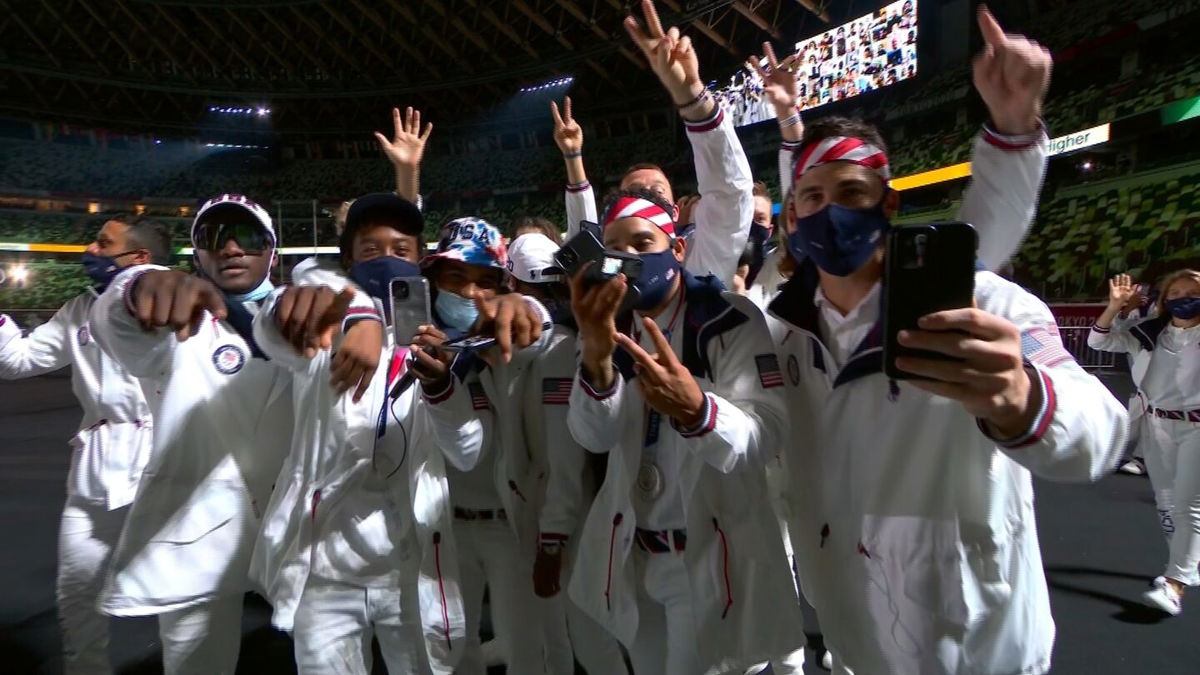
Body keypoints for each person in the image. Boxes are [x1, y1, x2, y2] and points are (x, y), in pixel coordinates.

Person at [766, 11, 1128, 673]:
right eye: (812, 196)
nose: (830, 211)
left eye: (852, 192)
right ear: (791, 218)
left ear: (890, 205)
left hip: (981, 648)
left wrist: (1022, 400)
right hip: (851, 640)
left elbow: (1102, 429)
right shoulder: (778, 331)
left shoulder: (982, 301)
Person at [88, 194, 375, 674]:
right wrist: (136, 286)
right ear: (196, 254)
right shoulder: (171, 321)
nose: (232, 247)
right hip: (198, 531)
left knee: (334, 662)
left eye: (250, 236)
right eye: (214, 237)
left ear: (273, 253)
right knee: (196, 664)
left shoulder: (309, 314)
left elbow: (349, 299)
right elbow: (117, 325)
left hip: (302, 529)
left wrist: (357, 315)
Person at [249, 193, 529, 674]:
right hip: (326, 574)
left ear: (419, 261)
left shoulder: (440, 344)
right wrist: (339, 312)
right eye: (370, 250)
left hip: (409, 568)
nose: (386, 260)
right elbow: (275, 324)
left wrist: (441, 384)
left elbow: (466, 452)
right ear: (348, 260)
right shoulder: (323, 326)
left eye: (401, 250)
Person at [566, 181, 802, 674]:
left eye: (642, 244)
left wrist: (700, 413)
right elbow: (593, 437)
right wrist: (596, 361)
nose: (629, 257)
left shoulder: (728, 320)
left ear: (677, 248)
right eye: (617, 248)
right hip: (634, 554)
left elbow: (768, 435)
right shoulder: (607, 325)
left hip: (706, 557)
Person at [0, 213, 170, 674]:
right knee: (77, 593)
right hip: (97, 471)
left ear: (139, 257)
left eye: (102, 242)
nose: (90, 251)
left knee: (182, 596)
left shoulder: (177, 302)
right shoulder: (78, 309)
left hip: (169, 464)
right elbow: (18, 361)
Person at [421, 216, 552, 675]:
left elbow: (545, 329)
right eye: (455, 277)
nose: (469, 292)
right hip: (442, 525)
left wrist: (528, 307)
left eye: (484, 281)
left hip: (508, 526)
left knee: (524, 649)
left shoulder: (508, 339)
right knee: (452, 650)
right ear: (432, 280)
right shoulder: (417, 341)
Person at [552, 0, 754, 292]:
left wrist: (693, 100)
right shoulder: (603, 298)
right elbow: (583, 232)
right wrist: (572, 156)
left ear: (674, 213)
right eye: (634, 191)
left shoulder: (700, 265)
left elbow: (729, 194)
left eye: (655, 191)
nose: (644, 195)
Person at [502, 232, 632, 675]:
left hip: (565, 517)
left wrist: (553, 540)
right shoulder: (534, 344)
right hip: (545, 510)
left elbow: (565, 455)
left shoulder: (558, 349)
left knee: (585, 638)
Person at [1088, 270, 1200, 616]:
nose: (1183, 297)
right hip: (1156, 424)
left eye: (1192, 291)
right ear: (1164, 300)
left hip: (1196, 427)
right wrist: (1114, 307)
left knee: (1189, 504)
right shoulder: (1148, 332)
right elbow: (1098, 341)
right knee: (1166, 501)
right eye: (1176, 292)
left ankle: (1175, 583)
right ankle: (1186, 564)